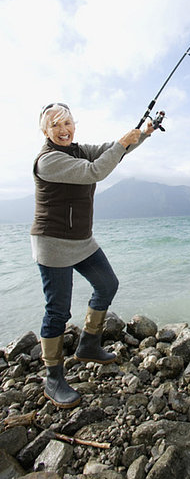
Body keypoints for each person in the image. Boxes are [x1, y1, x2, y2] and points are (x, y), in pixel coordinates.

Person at [31, 103, 155, 408]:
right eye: (55, 125)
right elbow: (95, 171)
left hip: (81, 240)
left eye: (68, 123)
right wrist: (123, 143)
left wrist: (143, 134)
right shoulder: (47, 161)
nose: (63, 130)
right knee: (58, 311)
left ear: (75, 124)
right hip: (53, 243)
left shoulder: (78, 149)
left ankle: (88, 345)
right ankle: (53, 379)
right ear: (45, 131)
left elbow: (110, 150)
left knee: (107, 285)